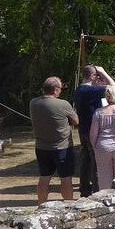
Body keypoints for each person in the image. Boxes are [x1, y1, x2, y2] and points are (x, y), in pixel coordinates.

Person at [29, 76, 79, 204]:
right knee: (66, 177)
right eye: (60, 88)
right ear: (56, 89)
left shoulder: (33, 103)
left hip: (41, 146)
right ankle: (69, 205)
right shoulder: (63, 104)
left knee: (44, 177)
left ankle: (41, 204)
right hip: (62, 147)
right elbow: (76, 121)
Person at [73, 64, 115, 197]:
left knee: (85, 159)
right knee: (96, 160)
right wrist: (104, 72)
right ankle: (98, 191)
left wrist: (99, 81)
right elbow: (114, 89)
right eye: (96, 75)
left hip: (83, 129)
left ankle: (84, 189)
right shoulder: (91, 91)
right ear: (92, 76)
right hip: (94, 130)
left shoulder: (79, 89)